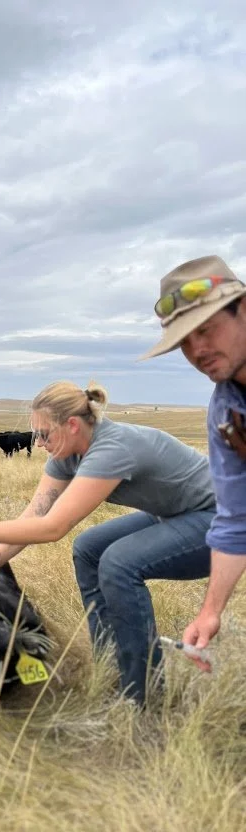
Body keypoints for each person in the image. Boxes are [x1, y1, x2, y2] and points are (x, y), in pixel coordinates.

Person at [0, 381, 216, 705]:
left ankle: (141, 694)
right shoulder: (65, 454)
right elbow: (31, 521)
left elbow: (53, 528)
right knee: (89, 548)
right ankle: (110, 663)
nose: (38, 443)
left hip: (223, 519)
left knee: (119, 563)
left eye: (44, 434)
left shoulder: (111, 449)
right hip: (174, 514)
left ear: (72, 425)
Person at [140, 255, 246, 672]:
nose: (197, 350)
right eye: (184, 340)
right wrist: (210, 612)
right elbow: (236, 519)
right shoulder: (227, 413)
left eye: (206, 329)